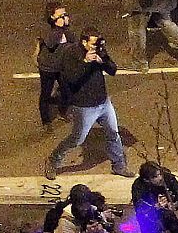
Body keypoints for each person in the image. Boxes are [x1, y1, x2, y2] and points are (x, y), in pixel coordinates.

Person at [45, 27, 132, 180]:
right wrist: (85, 62)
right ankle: (53, 160)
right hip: (84, 107)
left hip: (103, 102)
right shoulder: (71, 54)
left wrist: (103, 60)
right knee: (77, 139)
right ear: (84, 42)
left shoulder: (98, 50)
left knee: (113, 133)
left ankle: (119, 165)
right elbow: (71, 79)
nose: (96, 47)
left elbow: (113, 70)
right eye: (93, 44)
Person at [36, 2, 75, 129]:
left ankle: (63, 111)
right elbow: (51, 44)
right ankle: (46, 121)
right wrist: (59, 28)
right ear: (52, 17)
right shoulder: (48, 30)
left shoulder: (65, 29)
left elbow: (72, 40)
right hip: (48, 67)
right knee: (46, 94)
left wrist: (65, 27)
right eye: (60, 15)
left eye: (65, 14)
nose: (64, 17)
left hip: (61, 66)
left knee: (67, 91)